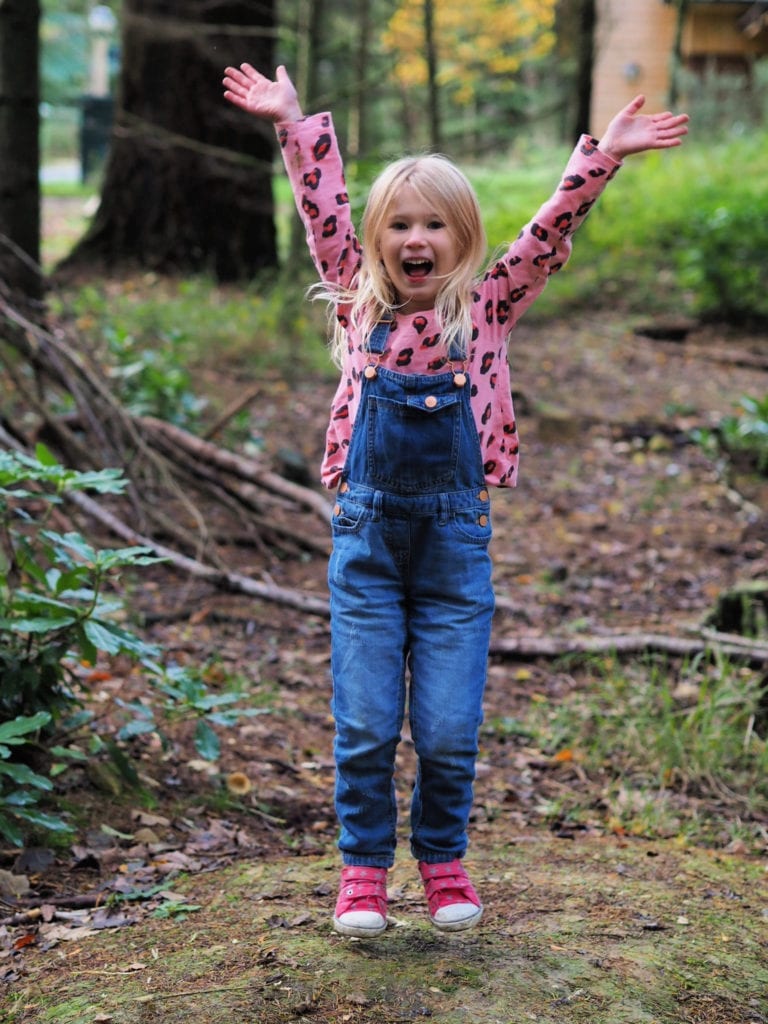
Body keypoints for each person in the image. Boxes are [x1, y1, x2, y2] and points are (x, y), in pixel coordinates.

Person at [222, 63, 689, 938]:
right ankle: (363, 871)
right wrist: (292, 123)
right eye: (399, 224)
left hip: (453, 550)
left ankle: (441, 860)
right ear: (376, 241)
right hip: (365, 545)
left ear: (463, 239)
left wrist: (603, 161)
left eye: (435, 224)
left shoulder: (487, 310)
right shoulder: (358, 306)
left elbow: (549, 234)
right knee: (364, 724)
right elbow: (323, 206)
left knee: (444, 728)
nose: (416, 237)